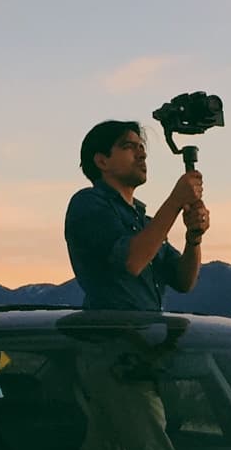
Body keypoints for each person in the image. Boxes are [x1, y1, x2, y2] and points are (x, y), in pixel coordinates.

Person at [63, 119, 210, 311]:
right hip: (110, 336)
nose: (142, 154)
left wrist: (194, 238)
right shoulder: (87, 204)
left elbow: (183, 281)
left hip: (148, 336)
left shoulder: (146, 224)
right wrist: (175, 201)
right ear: (102, 161)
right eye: (129, 147)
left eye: (142, 147)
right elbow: (132, 261)